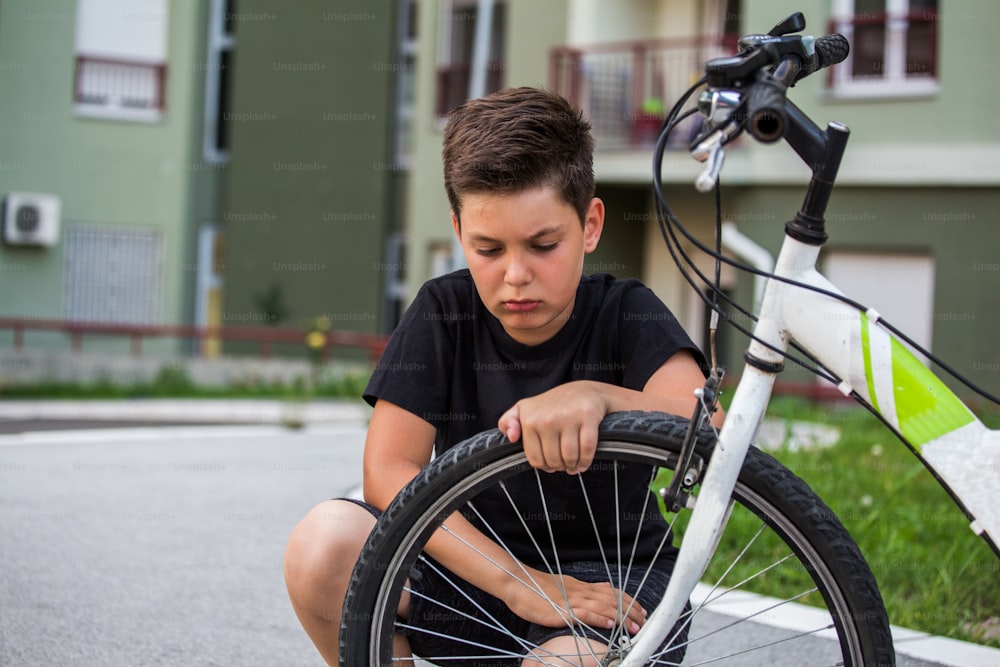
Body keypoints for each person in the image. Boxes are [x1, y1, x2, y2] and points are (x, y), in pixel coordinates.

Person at [283, 86, 718, 666]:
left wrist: (597, 397)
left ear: (589, 225)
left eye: (543, 245)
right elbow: (389, 470)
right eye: (488, 248)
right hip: (477, 569)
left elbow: (704, 424)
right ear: (460, 231)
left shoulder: (625, 310)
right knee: (323, 542)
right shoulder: (445, 310)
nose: (516, 276)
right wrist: (518, 583)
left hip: (610, 584)